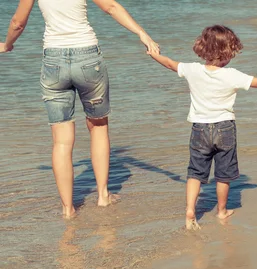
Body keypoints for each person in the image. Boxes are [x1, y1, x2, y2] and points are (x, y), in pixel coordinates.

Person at [0, 0, 160, 218]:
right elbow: (111, 7)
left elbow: (18, 22)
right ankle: (103, 196)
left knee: (61, 141)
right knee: (98, 127)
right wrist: (143, 34)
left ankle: (68, 210)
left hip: (53, 61)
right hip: (87, 57)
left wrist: (8, 44)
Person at [147, 25, 257, 230]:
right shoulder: (232, 75)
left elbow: (169, 63)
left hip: (199, 130)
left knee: (195, 172)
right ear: (227, 52)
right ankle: (221, 211)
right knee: (223, 174)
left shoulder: (192, 69)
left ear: (203, 48)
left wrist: (154, 54)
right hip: (225, 129)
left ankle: (190, 211)